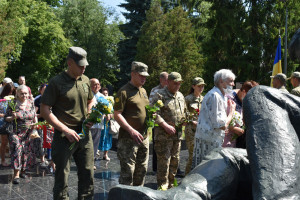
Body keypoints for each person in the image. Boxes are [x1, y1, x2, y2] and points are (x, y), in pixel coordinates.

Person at [40, 47, 95, 199]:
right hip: (64, 137)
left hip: (84, 136)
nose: (84, 68)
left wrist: (90, 114)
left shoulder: (85, 80)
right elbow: (45, 110)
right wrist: (65, 129)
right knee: (62, 178)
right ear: (70, 63)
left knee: (88, 174)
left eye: (85, 65)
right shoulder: (56, 82)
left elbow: (91, 100)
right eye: (80, 65)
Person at [114, 61, 150, 186]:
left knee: (141, 171)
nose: (144, 78)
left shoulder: (144, 91)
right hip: (128, 139)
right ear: (133, 74)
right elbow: (117, 114)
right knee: (127, 174)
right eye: (141, 75)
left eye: (145, 76)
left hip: (143, 138)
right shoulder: (124, 91)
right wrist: (131, 130)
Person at [192, 69, 236, 169]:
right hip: (208, 142)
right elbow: (221, 125)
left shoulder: (222, 95)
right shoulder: (214, 96)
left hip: (213, 140)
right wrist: (232, 111)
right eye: (230, 81)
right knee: (206, 171)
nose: (233, 84)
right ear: (221, 81)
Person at [151, 72, 187, 189]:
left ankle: (171, 184)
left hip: (177, 135)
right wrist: (165, 125)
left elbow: (184, 111)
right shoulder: (159, 95)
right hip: (163, 136)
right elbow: (153, 112)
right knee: (163, 163)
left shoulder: (180, 96)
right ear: (168, 82)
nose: (177, 86)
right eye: (175, 83)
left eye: (179, 84)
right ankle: (162, 187)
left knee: (175, 161)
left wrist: (185, 119)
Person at [5, 85, 37, 184]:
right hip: (15, 132)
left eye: (26, 93)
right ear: (17, 93)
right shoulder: (12, 103)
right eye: (22, 93)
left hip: (28, 132)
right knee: (17, 149)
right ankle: (16, 174)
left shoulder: (31, 102)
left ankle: (23, 171)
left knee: (26, 151)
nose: (24, 95)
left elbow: (34, 115)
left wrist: (35, 124)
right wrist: (12, 117)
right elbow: (6, 118)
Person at [222, 80, 258, 148]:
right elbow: (220, 119)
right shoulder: (228, 98)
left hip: (237, 139)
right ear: (244, 91)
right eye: (249, 97)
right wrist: (232, 128)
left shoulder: (245, 99)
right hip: (225, 138)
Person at [184, 77, 205, 175]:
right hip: (191, 130)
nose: (201, 88)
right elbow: (183, 114)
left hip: (201, 130)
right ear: (193, 86)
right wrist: (192, 121)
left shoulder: (204, 99)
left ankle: (196, 176)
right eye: (199, 86)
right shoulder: (188, 99)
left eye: (202, 86)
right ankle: (187, 177)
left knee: (200, 154)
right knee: (192, 155)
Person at [148, 72, 168, 173]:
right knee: (157, 145)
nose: (168, 82)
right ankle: (155, 168)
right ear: (161, 80)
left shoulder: (170, 90)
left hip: (168, 121)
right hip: (157, 121)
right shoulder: (155, 90)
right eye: (166, 80)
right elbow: (151, 105)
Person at [90, 78, 105, 169]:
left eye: (98, 84)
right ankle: (85, 161)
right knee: (87, 144)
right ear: (90, 85)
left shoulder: (102, 97)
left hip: (98, 124)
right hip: (88, 124)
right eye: (95, 84)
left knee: (95, 144)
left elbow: (108, 108)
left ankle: (92, 162)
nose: (97, 86)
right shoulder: (87, 95)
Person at [32, 83, 48, 168]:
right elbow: (34, 114)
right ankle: (41, 160)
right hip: (40, 123)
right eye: (44, 89)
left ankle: (44, 158)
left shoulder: (51, 98)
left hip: (49, 124)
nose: (45, 91)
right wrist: (42, 114)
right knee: (40, 142)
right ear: (40, 90)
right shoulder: (38, 100)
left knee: (47, 141)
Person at [0, 82, 15, 167]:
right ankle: (2, 160)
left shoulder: (13, 99)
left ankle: (13, 159)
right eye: (9, 91)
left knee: (13, 142)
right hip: (2, 123)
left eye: (12, 91)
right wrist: (5, 115)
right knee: (4, 142)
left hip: (12, 122)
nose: (11, 93)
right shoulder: (1, 99)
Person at [99, 87, 113, 161]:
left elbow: (113, 111)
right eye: (103, 94)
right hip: (100, 122)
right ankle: (96, 152)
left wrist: (110, 114)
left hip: (107, 123)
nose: (105, 95)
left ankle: (105, 154)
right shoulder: (98, 101)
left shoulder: (110, 102)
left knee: (107, 137)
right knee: (99, 137)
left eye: (106, 93)